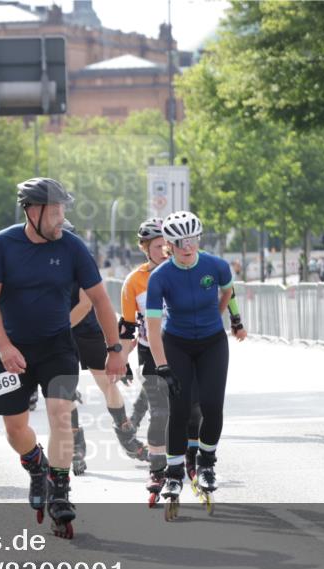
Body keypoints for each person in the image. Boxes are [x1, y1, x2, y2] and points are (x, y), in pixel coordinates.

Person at [0, 177, 123, 539]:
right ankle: (36, 465)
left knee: (61, 414)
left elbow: (102, 300)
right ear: (32, 211)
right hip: (12, 350)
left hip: (58, 346)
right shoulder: (2, 245)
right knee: (15, 427)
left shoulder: (73, 247)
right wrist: (5, 345)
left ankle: (59, 489)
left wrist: (115, 349)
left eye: (63, 210)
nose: (61, 217)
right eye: (55, 211)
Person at [145, 211, 247, 520]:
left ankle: (206, 464)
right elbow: (152, 326)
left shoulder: (215, 265)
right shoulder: (160, 277)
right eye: (180, 242)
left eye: (192, 241)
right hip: (176, 343)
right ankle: (174, 471)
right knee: (179, 408)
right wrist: (162, 366)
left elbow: (229, 289)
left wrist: (233, 318)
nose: (188, 247)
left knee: (212, 406)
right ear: (171, 245)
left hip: (212, 342)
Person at [119, 219, 205, 506]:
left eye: (166, 245)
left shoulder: (184, 271)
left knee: (193, 411)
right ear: (145, 248)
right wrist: (121, 359)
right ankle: (157, 470)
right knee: (160, 413)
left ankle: (190, 462)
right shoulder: (134, 282)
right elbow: (127, 327)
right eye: (157, 247)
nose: (163, 250)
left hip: (184, 349)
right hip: (151, 354)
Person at [64, 220, 146, 476]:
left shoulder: (80, 260)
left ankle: (126, 433)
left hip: (86, 328)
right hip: (59, 333)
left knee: (107, 382)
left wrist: (118, 350)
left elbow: (87, 303)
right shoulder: (40, 264)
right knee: (63, 389)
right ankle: (76, 444)